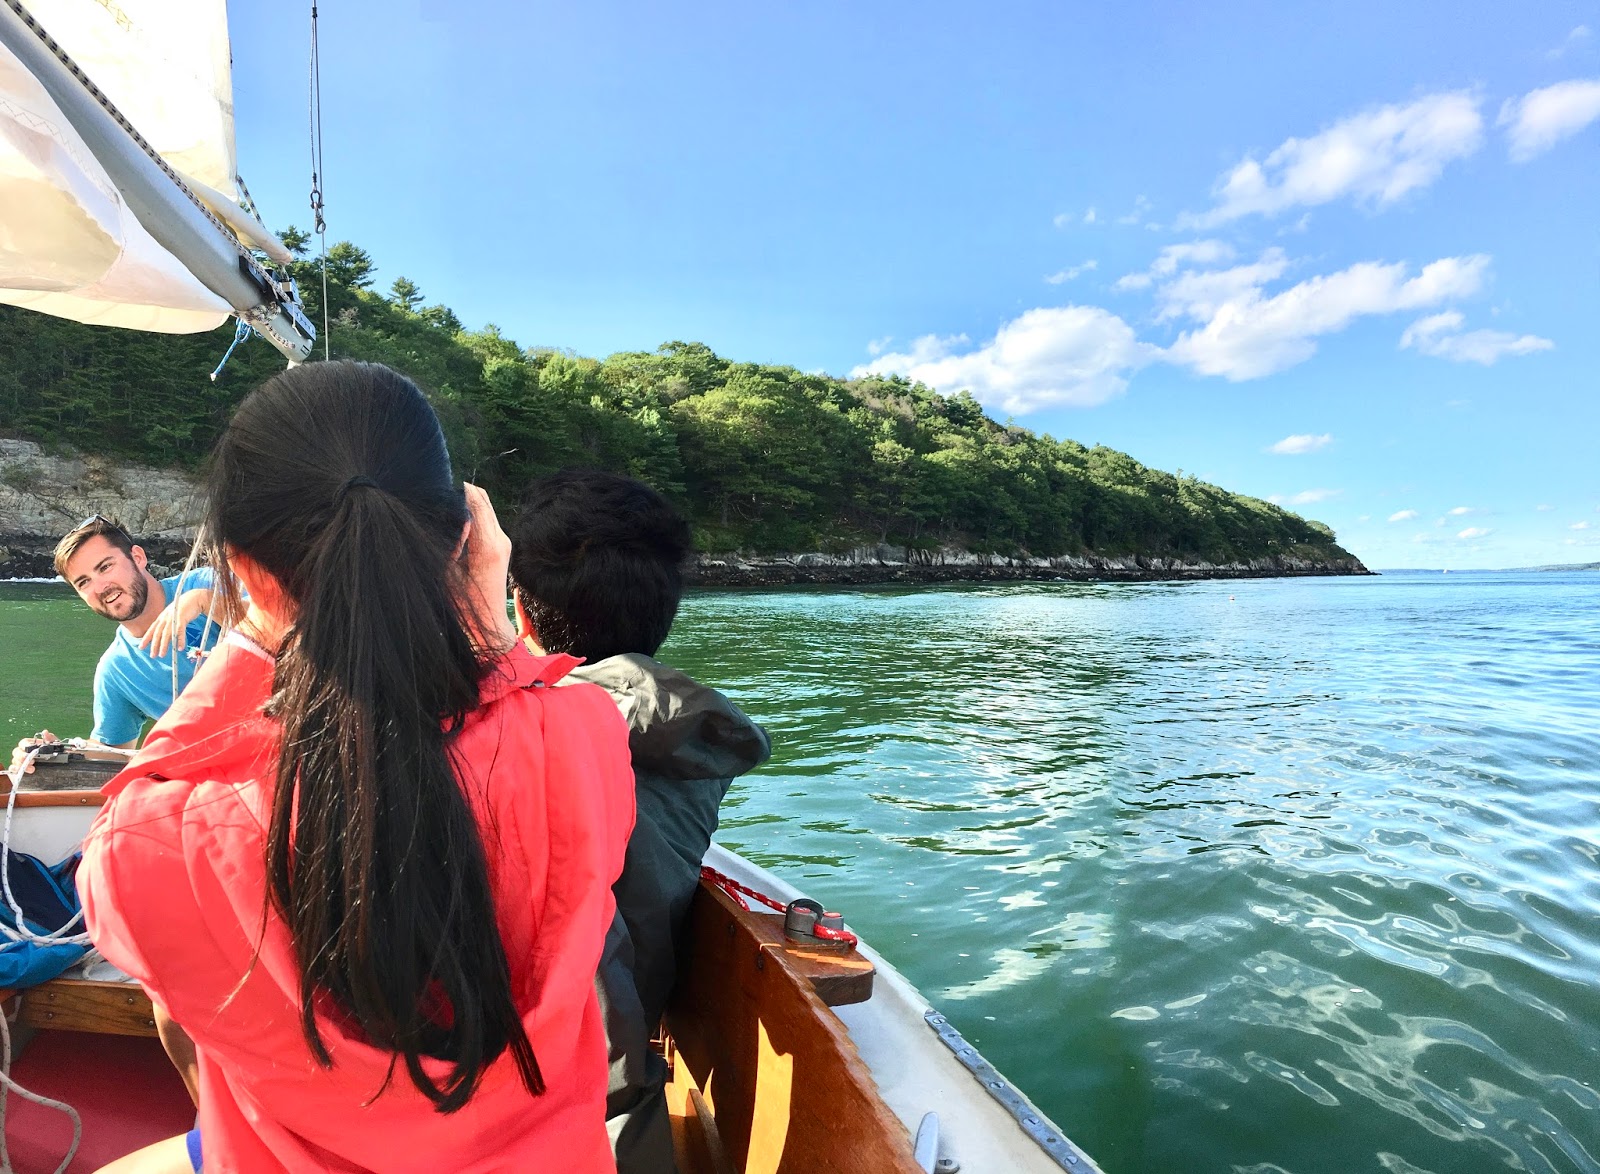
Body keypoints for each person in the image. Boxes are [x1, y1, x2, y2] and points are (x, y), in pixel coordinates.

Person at [78, 362, 635, 1173]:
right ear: (462, 536)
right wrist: (485, 626)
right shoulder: (584, 737)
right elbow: (507, 721)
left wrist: (247, 636)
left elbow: (122, 825)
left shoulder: (159, 846)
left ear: (244, 568)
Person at [508, 468, 771, 1174]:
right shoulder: (693, 736)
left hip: (541, 1089)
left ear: (523, 617)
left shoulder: (517, 742)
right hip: (621, 1057)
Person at [9, 516, 229, 774]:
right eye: (84, 582)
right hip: (215, 779)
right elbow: (111, 753)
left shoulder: (212, 584)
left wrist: (205, 602)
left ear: (137, 557)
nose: (100, 587)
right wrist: (53, 753)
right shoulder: (117, 670)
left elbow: (281, 623)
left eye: (105, 567)